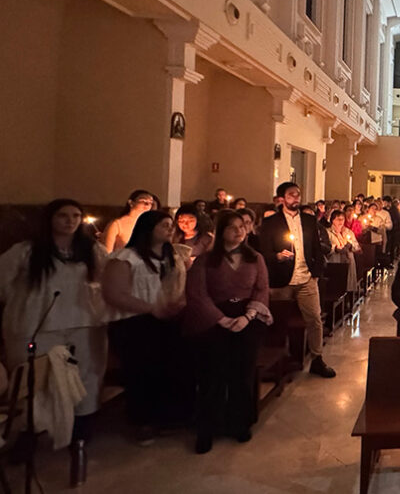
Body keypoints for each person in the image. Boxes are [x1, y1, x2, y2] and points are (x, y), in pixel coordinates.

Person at [0, 199, 108, 484]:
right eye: (62, 215)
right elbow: (3, 282)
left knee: (85, 377)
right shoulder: (26, 251)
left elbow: (109, 279)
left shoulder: (91, 250)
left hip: (83, 324)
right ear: (50, 219)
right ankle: (28, 436)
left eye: (75, 216)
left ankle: (81, 433)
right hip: (38, 325)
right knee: (33, 383)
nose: (70, 221)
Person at [183, 211, 271, 454]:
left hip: (247, 317)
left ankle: (239, 423)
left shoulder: (255, 259)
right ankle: (207, 428)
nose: (239, 231)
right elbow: (197, 293)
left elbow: (262, 290)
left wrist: (248, 316)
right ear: (222, 231)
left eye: (242, 227)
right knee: (213, 374)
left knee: (242, 372)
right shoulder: (205, 260)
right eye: (232, 227)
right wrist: (221, 319)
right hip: (214, 318)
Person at [101, 210, 189, 444]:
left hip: (167, 319)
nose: (170, 229)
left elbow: (180, 286)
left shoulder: (173, 256)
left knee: (169, 368)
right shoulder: (127, 257)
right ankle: (142, 421)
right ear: (147, 229)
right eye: (163, 225)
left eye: (171, 225)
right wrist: (151, 308)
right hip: (135, 322)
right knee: (142, 372)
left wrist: (177, 305)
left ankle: (166, 417)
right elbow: (113, 293)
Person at [259, 182, 335, 378]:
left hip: (306, 278)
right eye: (291, 195)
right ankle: (281, 359)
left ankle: (317, 359)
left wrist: (316, 273)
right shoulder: (271, 222)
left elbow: (316, 249)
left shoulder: (309, 221)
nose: (296, 198)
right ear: (282, 199)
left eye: (298, 194)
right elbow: (263, 252)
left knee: (315, 320)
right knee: (279, 320)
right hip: (282, 279)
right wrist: (277, 256)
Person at [326, 210, 360, 293]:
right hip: (335, 260)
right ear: (332, 220)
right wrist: (335, 248)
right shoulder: (327, 232)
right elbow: (326, 246)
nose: (341, 222)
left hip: (348, 259)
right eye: (338, 219)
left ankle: (348, 296)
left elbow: (357, 246)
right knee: (337, 282)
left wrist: (351, 245)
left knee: (348, 280)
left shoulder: (348, 232)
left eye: (342, 219)